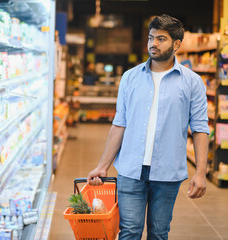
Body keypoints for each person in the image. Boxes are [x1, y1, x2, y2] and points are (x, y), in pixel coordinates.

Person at [87, 14, 209, 240]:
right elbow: (119, 124)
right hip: (131, 169)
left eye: (161, 39)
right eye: (151, 38)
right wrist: (103, 166)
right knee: (130, 231)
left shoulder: (193, 82)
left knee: (159, 233)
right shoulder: (130, 78)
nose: (153, 43)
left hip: (168, 172)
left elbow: (200, 128)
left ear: (177, 44)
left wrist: (201, 172)